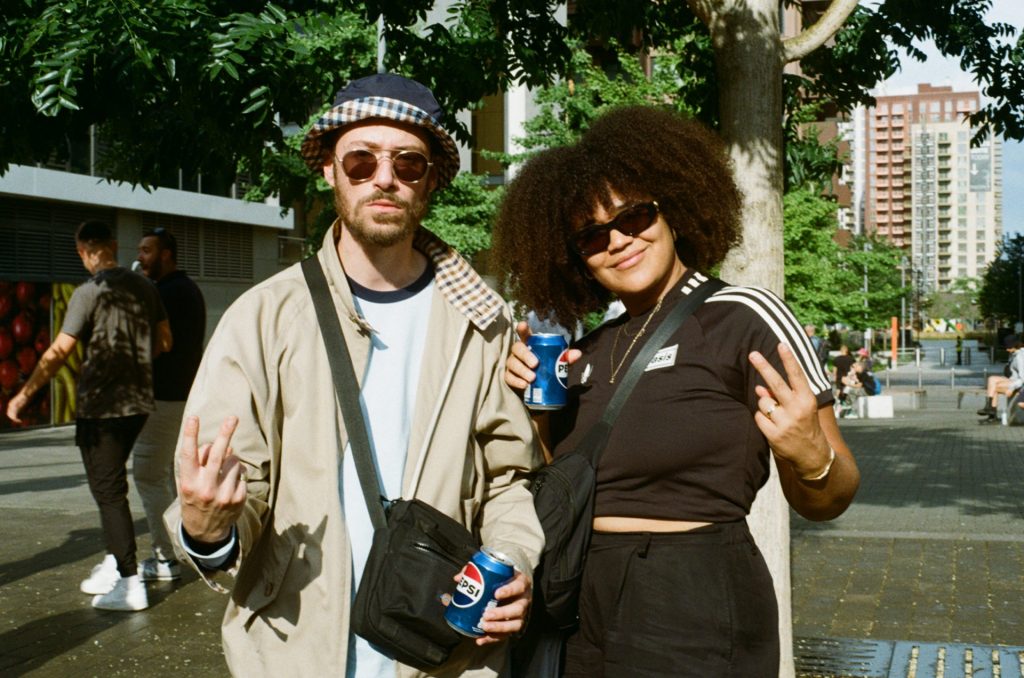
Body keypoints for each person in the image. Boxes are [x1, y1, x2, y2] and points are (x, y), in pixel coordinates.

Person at [166, 73, 544, 677]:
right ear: (329, 171)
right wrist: (207, 531)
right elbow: (233, 489)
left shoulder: (483, 319)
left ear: (432, 180)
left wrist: (514, 559)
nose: (384, 178)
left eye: (409, 163)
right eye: (361, 160)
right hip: (293, 649)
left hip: (442, 652)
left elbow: (509, 478)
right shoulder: (264, 317)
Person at [493, 106, 860, 676]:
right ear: (576, 260)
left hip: (696, 598)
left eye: (634, 216)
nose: (618, 241)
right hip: (578, 601)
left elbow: (830, 498)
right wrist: (535, 405)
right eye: (591, 235)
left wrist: (809, 456)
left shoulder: (744, 317)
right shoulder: (585, 353)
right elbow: (557, 487)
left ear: (672, 210)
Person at [6, 220, 171, 611]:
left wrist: (23, 396)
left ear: (82, 252)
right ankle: (117, 564)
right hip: (139, 402)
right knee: (112, 488)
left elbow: (59, 351)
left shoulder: (88, 292)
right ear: (113, 245)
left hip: (102, 406)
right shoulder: (146, 287)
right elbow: (166, 341)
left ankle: (129, 584)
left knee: (108, 492)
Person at [126, 227, 206, 582]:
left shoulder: (167, 293)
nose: (141, 256)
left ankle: (164, 558)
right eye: (140, 250)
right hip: (180, 396)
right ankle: (183, 549)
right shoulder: (184, 289)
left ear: (166, 255)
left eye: (147, 251)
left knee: (146, 473)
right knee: (168, 477)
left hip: (162, 396)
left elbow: (153, 344)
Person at [977, 333, 1024, 420]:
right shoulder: (1014, 353)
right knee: (991, 379)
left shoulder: (1020, 356)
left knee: (994, 386)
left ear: (1015, 345)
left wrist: (1011, 388)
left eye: (1009, 347)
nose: (1007, 349)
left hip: (1019, 385)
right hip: (1013, 380)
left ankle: (992, 412)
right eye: (1006, 347)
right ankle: (990, 408)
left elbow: (1022, 378)